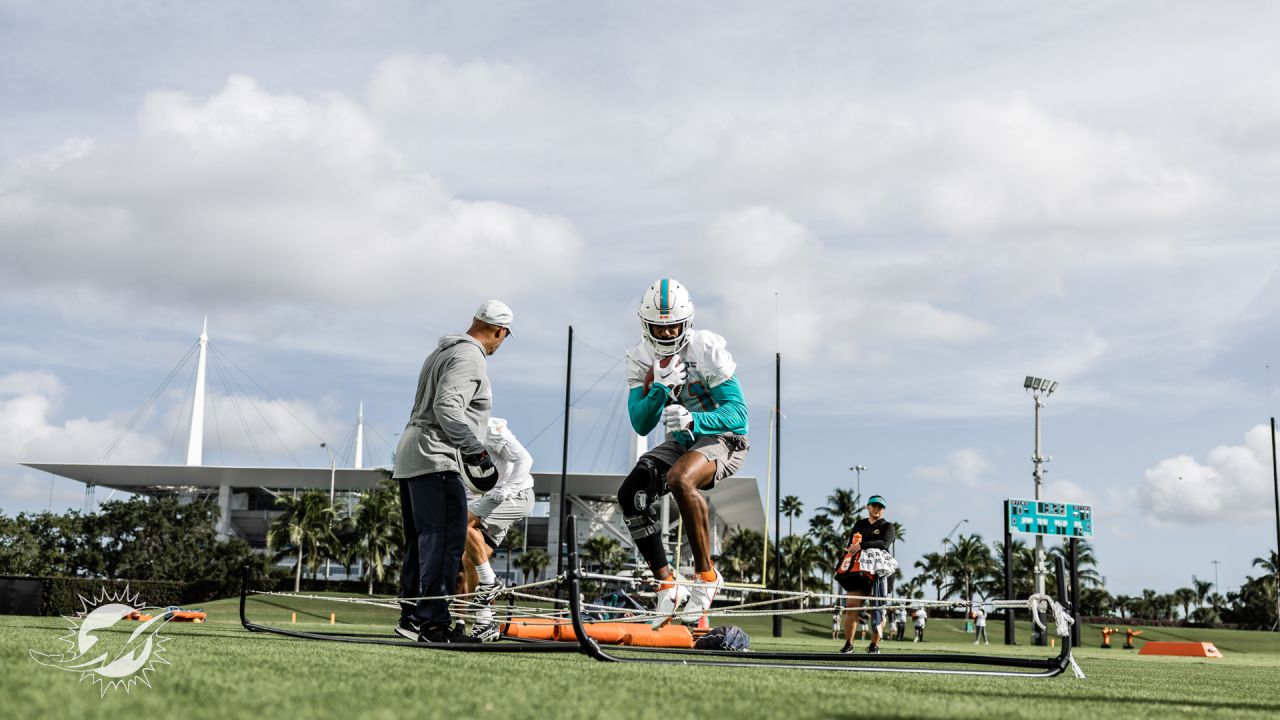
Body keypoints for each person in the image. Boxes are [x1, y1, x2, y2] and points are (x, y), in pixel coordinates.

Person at [616, 278, 750, 627]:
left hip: (724, 437)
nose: (665, 335)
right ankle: (667, 585)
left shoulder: (704, 347)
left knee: (680, 479)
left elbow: (739, 414)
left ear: (687, 322)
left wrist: (695, 417)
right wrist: (659, 390)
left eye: (672, 326)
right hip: (683, 441)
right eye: (658, 328)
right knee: (631, 493)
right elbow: (640, 424)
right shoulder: (638, 358)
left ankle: (707, 578)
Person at [393, 300, 512, 643]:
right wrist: (474, 449)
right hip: (437, 455)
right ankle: (434, 626)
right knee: (445, 541)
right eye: (502, 338)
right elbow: (448, 406)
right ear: (499, 332)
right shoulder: (471, 356)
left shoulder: (442, 352)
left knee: (421, 541)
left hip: (412, 451)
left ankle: (412, 620)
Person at [459, 417, 535, 642]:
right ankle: (485, 623)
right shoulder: (451, 439)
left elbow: (524, 459)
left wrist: (507, 490)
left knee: (460, 524)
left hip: (515, 495)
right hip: (488, 501)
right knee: (470, 560)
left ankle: (490, 583)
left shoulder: (490, 428)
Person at [836, 494, 896, 654]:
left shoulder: (887, 526)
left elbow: (884, 543)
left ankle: (874, 646)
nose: (876, 508)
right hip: (857, 571)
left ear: (883, 510)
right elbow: (852, 544)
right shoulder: (859, 524)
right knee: (851, 607)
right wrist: (850, 549)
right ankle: (849, 644)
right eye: (873, 505)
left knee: (877, 608)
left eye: (879, 507)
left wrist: (862, 545)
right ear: (868, 507)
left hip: (879, 571)